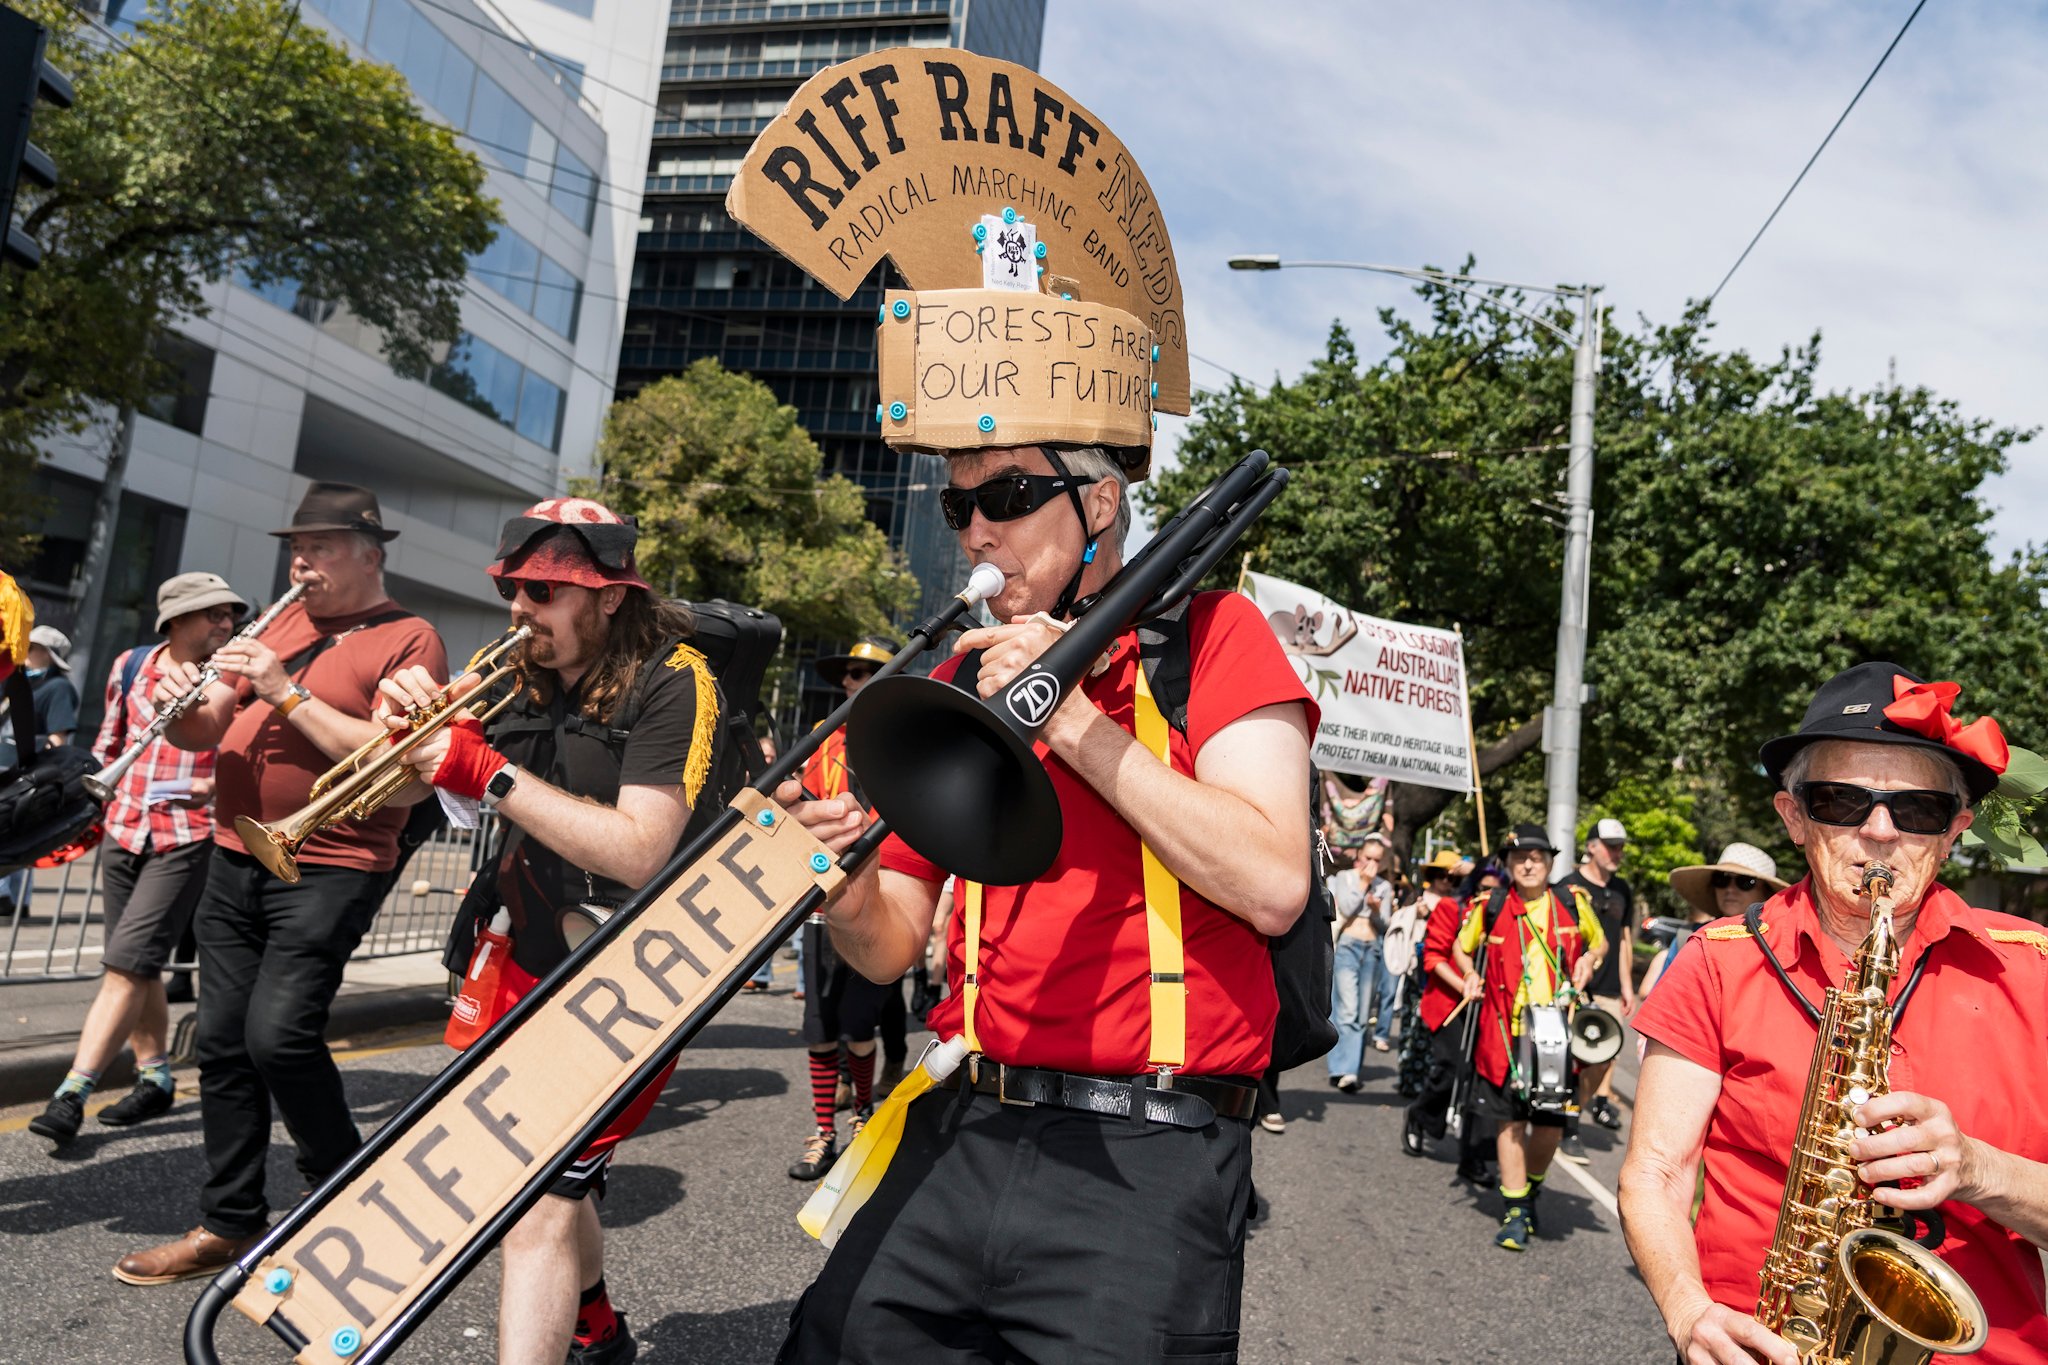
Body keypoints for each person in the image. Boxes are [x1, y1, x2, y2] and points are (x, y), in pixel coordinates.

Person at [380, 496, 727, 1365]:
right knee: (561, 1183)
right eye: (513, 588)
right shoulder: (515, 672)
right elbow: (398, 799)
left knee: (531, 1197)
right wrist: (404, 737)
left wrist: (488, 771)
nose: (520, 609)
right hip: (519, 955)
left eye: (545, 591)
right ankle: (598, 1330)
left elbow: (643, 851)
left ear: (611, 597)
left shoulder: (675, 677)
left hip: (636, 972)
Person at [1621, 663, 2048, 1365]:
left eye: (1917, 810)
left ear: (1954, 831)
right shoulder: (1715, 960)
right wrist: (1687, 1308)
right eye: (1841, 800)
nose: (1880, 831)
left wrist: (1978, 1168)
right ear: (1793, 817)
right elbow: (1656, 1171)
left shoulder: (2034, 967)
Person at [113, 483, 446, 1287]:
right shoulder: (282, 620)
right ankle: (230, 1220)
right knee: (222, 1041)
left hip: (331, 861)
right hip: (235, 851)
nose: (301, 560)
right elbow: (205, 728)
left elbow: (396, 762)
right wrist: (175, 701)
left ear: (371, 552)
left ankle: (344, 1191)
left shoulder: (411, 637)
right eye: (296, 545)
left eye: (322, 546)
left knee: (279, 1035)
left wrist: (283, 689)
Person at [26, 574, 246, 1147]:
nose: (225, 625)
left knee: (126, 963)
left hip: (187, 834)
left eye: (229, 615)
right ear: (174, 621)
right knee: (139, 964)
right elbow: (112, 740)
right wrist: (83, 793)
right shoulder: (131, 662)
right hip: (125, 827)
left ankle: (72, 1090)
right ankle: (154, 1078)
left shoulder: (232, 673)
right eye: (212, 615)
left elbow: (241, 750)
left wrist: (218, 791)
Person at [788, 634, 906, 1182]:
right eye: (850, 673)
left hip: (878, 899)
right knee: (819, 1026)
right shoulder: (819, 743)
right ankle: (824, 1131)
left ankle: (861, 1115)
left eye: (865, 673)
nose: (852, 682)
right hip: (818, 902)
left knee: (862, 1024)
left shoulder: (899, 738)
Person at [1454, 823, 1604, 1251]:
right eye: (1519, 858)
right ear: (1508, 865)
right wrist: (1468, 974)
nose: (1529, 863)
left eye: (1537, 856)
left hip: (1557, 1033)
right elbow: (1461, 947)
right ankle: (1515, 1211)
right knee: (1510, 1122)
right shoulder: (1491, 903)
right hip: (1505, 1031)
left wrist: (1589, 960)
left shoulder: (1573, 904)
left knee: (1550, 1127)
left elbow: (1600, 945)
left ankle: (1530, 1188)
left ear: (1551, 862)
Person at [1555, 817, 1635, 1164]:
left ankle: (1570, 1115)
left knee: (1603, 1059)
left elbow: (1626, 940)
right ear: (1591, 846)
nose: (1617, 852)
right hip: (1574, 988)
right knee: (1571, 1060)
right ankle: (1567, 1126)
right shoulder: (1566, 886)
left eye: (1620, 846)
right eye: (1610, 845)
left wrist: (1628, 986)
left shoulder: (1623, 890)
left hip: (1610, 990)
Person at [0, 623, 82, 915]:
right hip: (4, 766)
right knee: (16, 834)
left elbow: (58, 738)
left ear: (49, 654)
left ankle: (9, 897)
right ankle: (16, 900)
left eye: (32, 648)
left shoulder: (57, 687)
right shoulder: (16, 681)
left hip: (23, 772)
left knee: (13, 832)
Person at [1641, 842, 1785, 1000]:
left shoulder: (1779, 949)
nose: (1730, 889)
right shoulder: (1689, 938)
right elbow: (1663, 1003)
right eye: (1721, 879)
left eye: (1745, 881)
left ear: (1766, 893)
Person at [1327, 834, 1398, 1089]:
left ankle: (1350, 1069)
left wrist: (1378, 911)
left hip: (1372, 950)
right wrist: (1362, 885)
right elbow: (1344, 907)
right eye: (1368, 858)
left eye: (1377, 860)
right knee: (1345, 1008)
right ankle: (1341, 1068)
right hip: (1347, 946)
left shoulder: (1384, 887)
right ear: (1359, 856)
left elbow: (1385, 925)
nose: (1371, 864)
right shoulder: (1342, 878)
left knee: (1361, 1012)